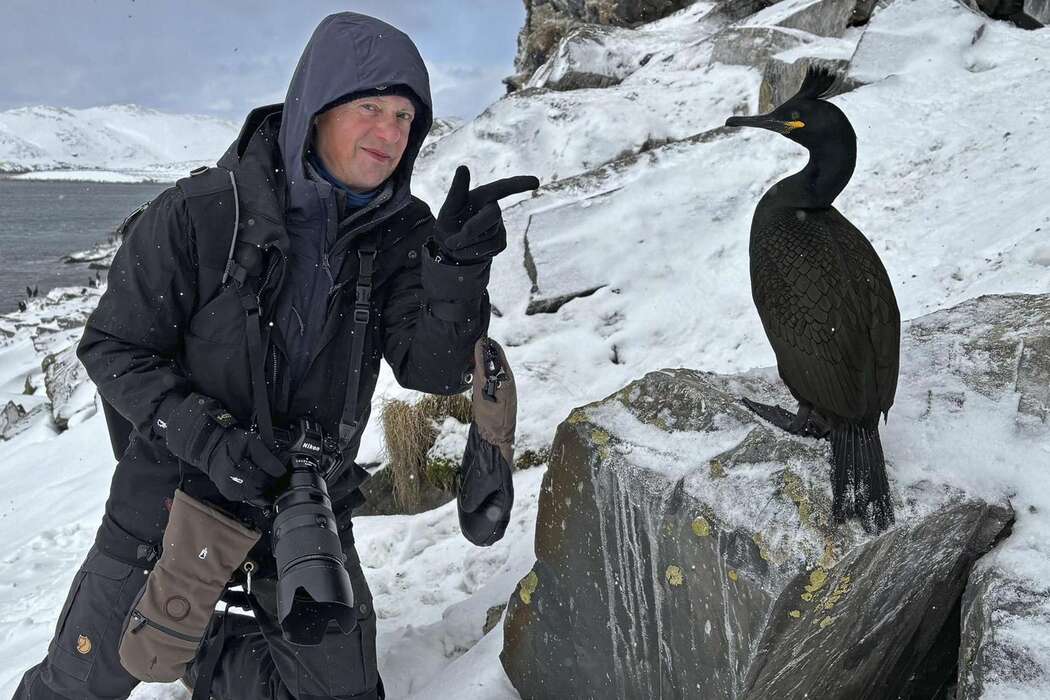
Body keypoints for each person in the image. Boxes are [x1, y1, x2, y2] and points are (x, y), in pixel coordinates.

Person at [15, 12, 537, 700]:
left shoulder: (403, 233)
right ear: (316, 107)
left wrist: (454, 269)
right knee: (73, 686)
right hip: (173, 501)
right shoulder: (202, 214)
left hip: (307, 508)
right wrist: (210, 439)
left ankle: (212, 656)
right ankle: (190, 634)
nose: (389, 134)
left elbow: (432, 369)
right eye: (370, 108)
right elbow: (112, 346)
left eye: (406, 117)